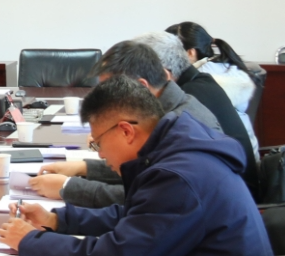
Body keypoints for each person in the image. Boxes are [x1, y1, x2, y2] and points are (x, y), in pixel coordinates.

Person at [0, 76, 281, 256]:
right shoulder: (176, 149)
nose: (101, 154)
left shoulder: (179, 176)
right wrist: (57, 220)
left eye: (98, 144)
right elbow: (137, 217)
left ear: (126, 131)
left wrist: (30, 241)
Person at [28, 40, 221, 207]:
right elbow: (141, 171)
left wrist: (69, 187)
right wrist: (83, 168)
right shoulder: (166, 111)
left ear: (141, 87)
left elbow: (146, 197)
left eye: (112, 91)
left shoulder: (181, 127)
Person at [130, 31, 257, 193]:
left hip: (234, 195)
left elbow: (156, 172)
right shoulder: (200, 83)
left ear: (162, 73)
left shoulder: (187, 100)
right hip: (232, 189)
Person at [167, 21, 261, 154]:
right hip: (248, 155)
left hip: (232, 159)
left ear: (191, 53)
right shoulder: (224, 67)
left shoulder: (198, 82)